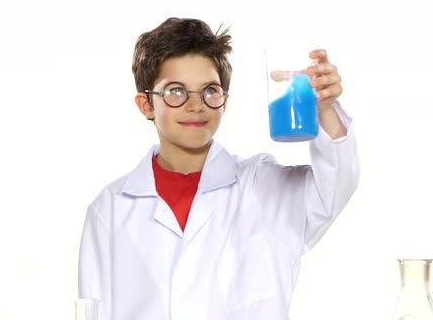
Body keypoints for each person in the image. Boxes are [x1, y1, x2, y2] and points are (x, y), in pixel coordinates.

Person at [78, 17, 360, 320]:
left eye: (210, 90)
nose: (196, 105)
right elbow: (91, 311)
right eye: (175, 91)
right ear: (146, 104)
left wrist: (325, 108)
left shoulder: (261, 186)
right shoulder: (110, 208)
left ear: (224, 101)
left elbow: (334, 185)